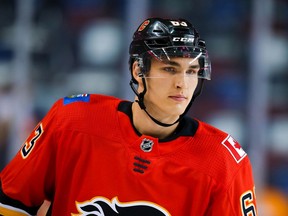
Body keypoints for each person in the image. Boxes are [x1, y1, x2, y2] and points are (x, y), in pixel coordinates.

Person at [0, 17, 257, 215]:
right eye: (169, 69)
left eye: (191, 71)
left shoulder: (223, 163)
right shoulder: (72, 120)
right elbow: (11, 202)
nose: (182, 84)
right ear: (138, 70)